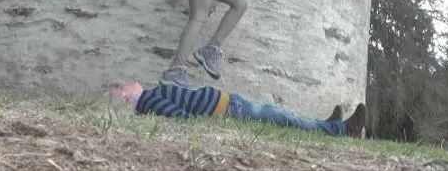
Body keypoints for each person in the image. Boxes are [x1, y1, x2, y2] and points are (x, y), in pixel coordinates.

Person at [109, 82, 367, 138]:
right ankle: (341, 129)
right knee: (282, 117)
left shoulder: (152, 93)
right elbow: (180, 117)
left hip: (229, 102)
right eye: (121, 88)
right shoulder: (148, 101)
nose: (125, 83)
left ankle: (326, 124)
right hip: (228, 110)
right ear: (127, 98)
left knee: (281, 114)